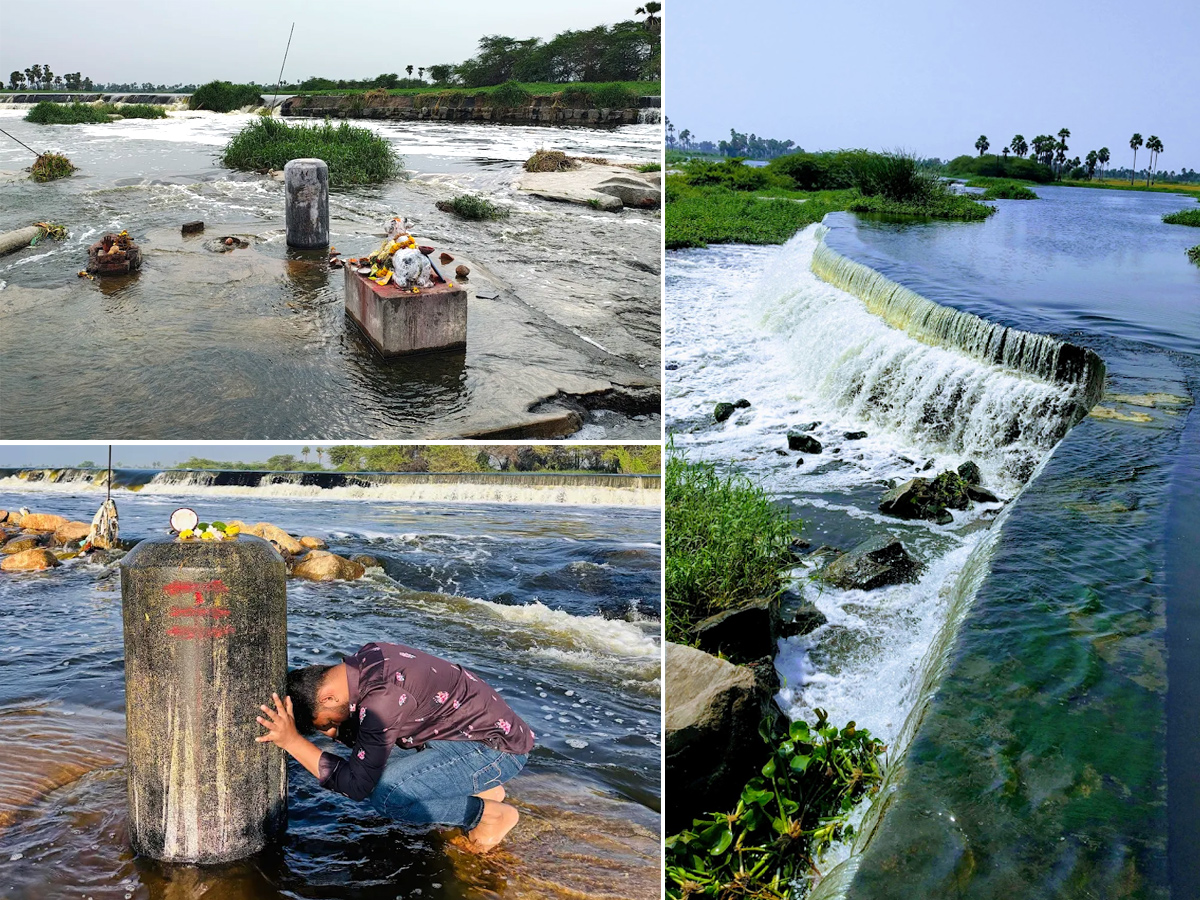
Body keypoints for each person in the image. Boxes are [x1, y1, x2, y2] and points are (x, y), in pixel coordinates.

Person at [255, 641, 534, 852]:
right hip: (463, 735)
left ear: (327, 698)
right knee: (370, 759)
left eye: (326, 722)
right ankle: (481, 787)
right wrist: (336, 731)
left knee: (389, 796)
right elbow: (369, 739)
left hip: (497, 751)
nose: (330, 731)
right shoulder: (363, 662)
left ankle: (488, 816)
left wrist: (292, 742)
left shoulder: (381, 701)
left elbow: (357, 786)